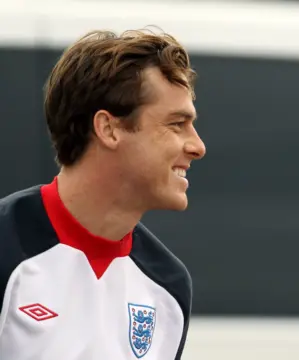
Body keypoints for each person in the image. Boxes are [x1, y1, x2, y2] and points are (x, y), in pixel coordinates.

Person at [0, 28, 206, 359]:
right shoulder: (6, 247)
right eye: (176, 124)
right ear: (108, 129)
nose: (198, 146)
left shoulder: (168, 283)